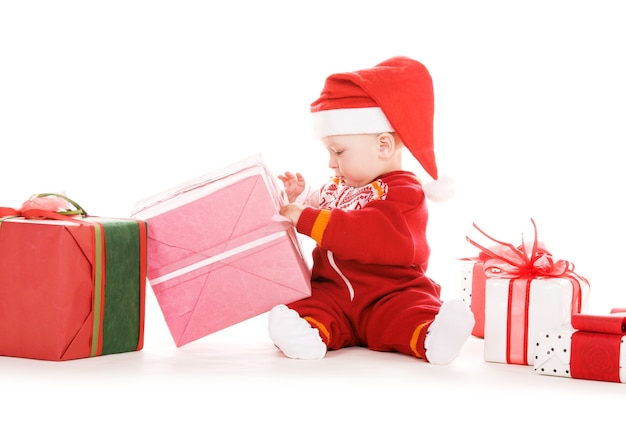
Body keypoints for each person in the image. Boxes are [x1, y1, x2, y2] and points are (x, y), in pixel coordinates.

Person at [268, 56, 474, 364]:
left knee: (406, 313)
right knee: (310, 305)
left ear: (383, 146)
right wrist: (299, 199)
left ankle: (434, 334)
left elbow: (365, 231)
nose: (331, 163)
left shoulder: (404, 192)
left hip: (388, 293)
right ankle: (307, 334)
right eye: (328, 152)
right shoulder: (342, 183)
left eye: (338, 151)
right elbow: (324, 202)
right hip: (335, 293)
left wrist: (306, 219)